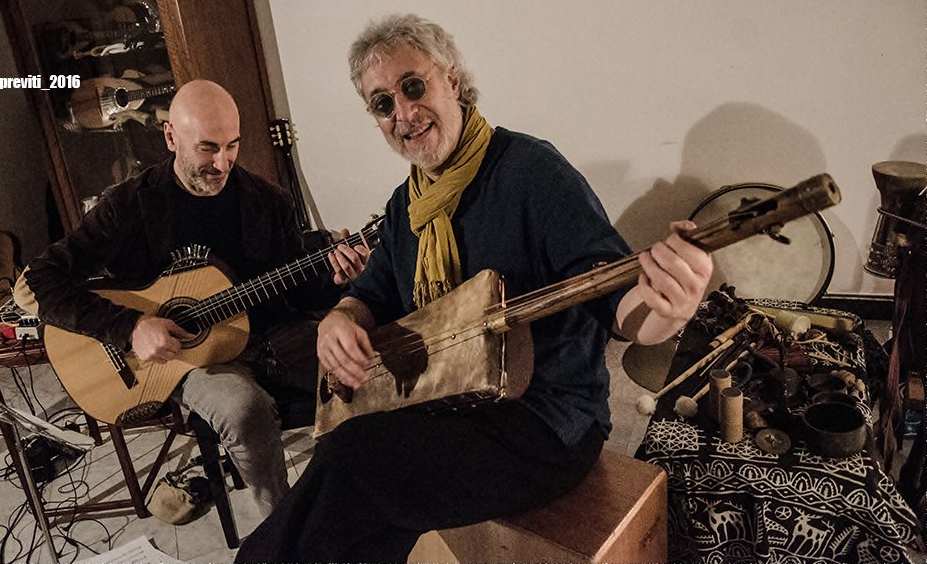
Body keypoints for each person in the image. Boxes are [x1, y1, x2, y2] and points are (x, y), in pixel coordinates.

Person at [236, 14, 712, 562]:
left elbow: (616, 299)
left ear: (453, 80)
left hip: (544, 427)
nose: (403, 113)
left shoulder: (532, 173)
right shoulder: (407, 205)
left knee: (352, 461)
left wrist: (668, 308)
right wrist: (340, 317)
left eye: (413, 86)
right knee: (358, 502)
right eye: (383, 104)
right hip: (447, 405)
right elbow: (372, 289)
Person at [22, 79, 369, 514]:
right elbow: (43, 278)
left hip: (271, 336)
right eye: (207, 148)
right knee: (245, 412)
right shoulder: (129, 206)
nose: (222, 163)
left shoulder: (267, 201)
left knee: (366, 364)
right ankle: (283, 529)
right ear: (171, 137)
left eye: (231, 146)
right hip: (191, 358)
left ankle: (360, 501)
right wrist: (130, 327)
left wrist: (336, 277)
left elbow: (295, 286)